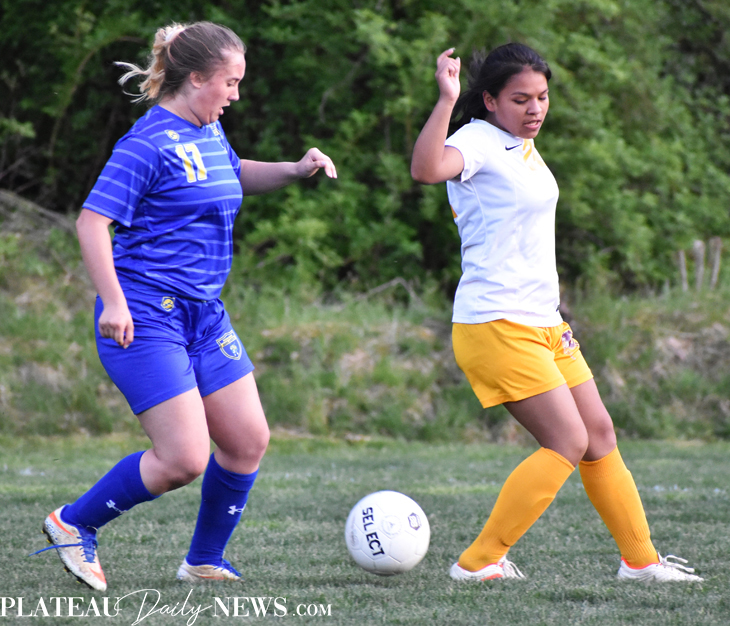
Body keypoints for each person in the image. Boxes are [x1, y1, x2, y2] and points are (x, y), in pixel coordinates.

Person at [32, 21, 336, 591]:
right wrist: (114, 303)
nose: (236, 95)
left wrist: (296, 169)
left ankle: (203, 561)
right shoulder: (146, 143)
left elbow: (232, 174)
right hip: (146, 317)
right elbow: (92, 222)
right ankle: (74, 523)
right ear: (196, 78)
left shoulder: (208, 130)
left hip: (203, 315)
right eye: (230, 82)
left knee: (247, 441)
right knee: (183, 459)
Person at [410, 44, 702, 583]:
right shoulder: (477, 140)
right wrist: (447, 99)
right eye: (520, 99)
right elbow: (426, 169)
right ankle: (478, 562)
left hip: (545, 322)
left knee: (599, 434)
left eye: (542, 97)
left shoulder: (523, 146)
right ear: (491, 100)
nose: (535, 109)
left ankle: (641, 562)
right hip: (496, 323)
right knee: (567, 441)